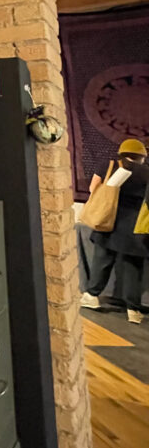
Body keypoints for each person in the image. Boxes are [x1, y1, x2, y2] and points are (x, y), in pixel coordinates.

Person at [80, 137, 149, 324]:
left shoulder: (109, 165)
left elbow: (93, 189)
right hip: (136, 227)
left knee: (102, 261)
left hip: (108, 221)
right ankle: (133, 310)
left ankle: (92, 296)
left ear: (122, 153)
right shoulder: (146, 172)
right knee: (133, 268)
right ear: (141, 156)